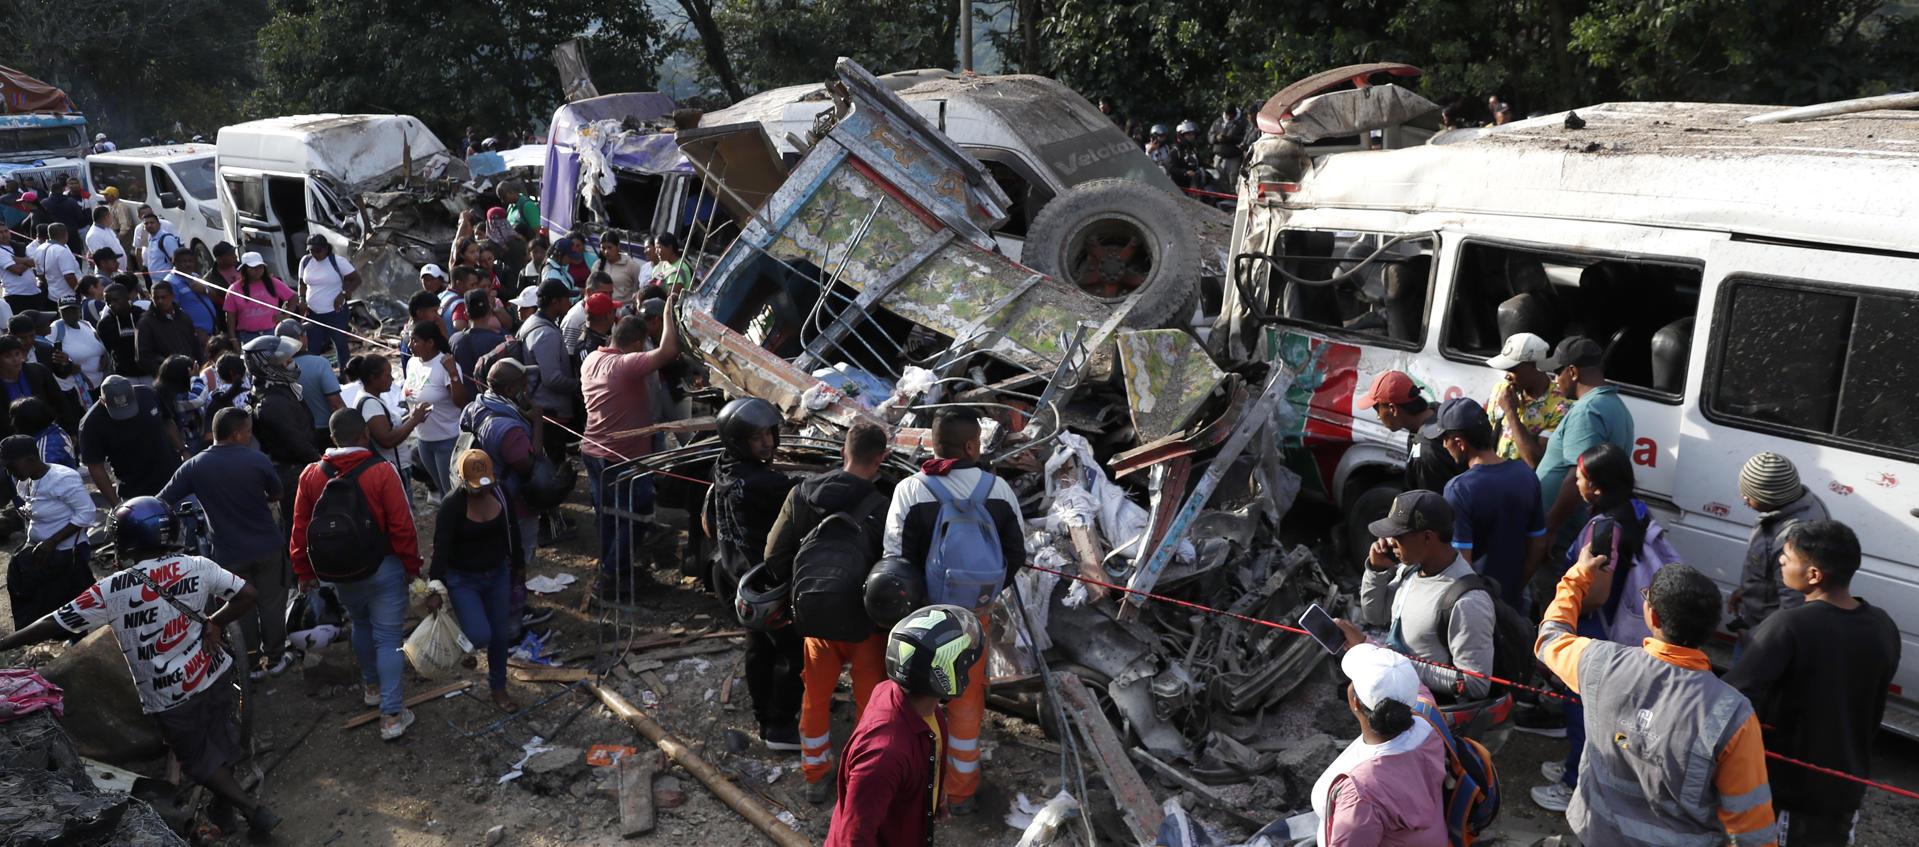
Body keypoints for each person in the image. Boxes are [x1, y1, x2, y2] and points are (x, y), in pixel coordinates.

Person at [0, 497, 281, 837]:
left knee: (197, 761)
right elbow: (247, 594)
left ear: (125, 541)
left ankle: (255, 811)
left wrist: (5, 643)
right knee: (218, 740)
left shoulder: (113, 588)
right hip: (215, 673)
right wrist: (217, 621)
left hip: (171, 695)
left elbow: (52, 623)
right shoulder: (197, 565)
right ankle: (224, 809)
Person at [1535, 557, 1776, 847]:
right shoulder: (1733, 714)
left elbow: (1550, 637)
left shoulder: (1599, 663)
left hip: (1596, 834)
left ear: (1654, 617)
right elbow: (1751, 830)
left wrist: (1577, 577)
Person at [881, 409, 1026, 813]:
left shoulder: (911, 489)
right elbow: (1016, 554)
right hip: (972, 620)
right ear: (970, 446)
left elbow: (895, 559)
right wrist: (984, 596)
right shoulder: (998, 490)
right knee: (965, 703)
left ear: (932, 443)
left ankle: (915, 788)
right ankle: (960, 793)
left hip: (922, 621)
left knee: (916, 700)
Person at [1526, 441, 1684, 810]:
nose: (1575, 482)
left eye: (1579, 477)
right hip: (1623, 628)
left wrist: (1567, 608)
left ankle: (1574, 785)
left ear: (1595, 487)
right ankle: (1574, 767)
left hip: (1599, 629)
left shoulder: (1603, 529)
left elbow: (1596, 594)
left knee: (1583, 710)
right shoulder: (1635, 509)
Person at [1726, 520, 1898, 846]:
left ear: (1814, 575)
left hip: (1792, 794)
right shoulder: (1882, 625)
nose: (1779, 561)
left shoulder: (1788, 626)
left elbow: (1731, 698)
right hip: (1847, 787)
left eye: (1787, 557)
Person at [765, 420, 890, 804]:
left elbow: (773, 554)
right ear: (881, 458)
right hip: (866, 624)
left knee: (815, 696)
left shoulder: (801, 494)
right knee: (869, 704)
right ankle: (862, 778)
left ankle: (816, 774)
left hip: (815, 619)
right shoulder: (883, 505)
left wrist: (800, 592)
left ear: (842, 452)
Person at [290, 408, 422, 740]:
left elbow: (300, 529)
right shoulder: (382, 471)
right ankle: (391, 716)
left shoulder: (311, 475)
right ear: (364, 434)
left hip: (340, 571)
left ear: (332, 438)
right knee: (389, 638)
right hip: (384, 566)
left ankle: (372, 688)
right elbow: (402, 525)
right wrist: (412, 567)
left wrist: (304, 571)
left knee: (361, 624)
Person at [823, 605, 984, 847]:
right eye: (964, 663)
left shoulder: (908, 700)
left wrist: (931, 798)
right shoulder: (883, 756)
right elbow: (853, 839)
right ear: (947, 672)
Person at [159, 407, 293, 678]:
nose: (249, 436)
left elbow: (161, 500)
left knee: (240, 607)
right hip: (267, 546)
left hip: (228, 552)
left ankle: (251, 663)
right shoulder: (257, 460)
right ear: (237, 433)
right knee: (272, 603)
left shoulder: (195, 465)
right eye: (248, 432)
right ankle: (276, 657)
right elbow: (277, 493)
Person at [704, 398, 803, 748]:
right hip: (767, 586)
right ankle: (779, 725)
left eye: (769, 434)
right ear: (737, 442)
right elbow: (801, 493)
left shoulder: (724, 467)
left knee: (759, 648)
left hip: (736, 578)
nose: (768, 443)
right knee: (795, 653)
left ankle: (764, 716)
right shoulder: (764, 483)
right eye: (757, 437)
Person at [1313, 626, 1448, 847]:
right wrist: (1364, 642)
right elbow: (1400, 678)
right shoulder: (1430, 715)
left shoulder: (1361, 794)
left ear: (1354, 702)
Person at [1357, 490, 1495, 703]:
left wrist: (1396, 663)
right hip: (1400, 699)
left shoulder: (1468, 602)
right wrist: (1376, 571)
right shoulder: (1410, 569)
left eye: (1398, 536)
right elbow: (1375, 616)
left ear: (1428, 537)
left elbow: (1476, 684)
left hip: (1430, 714)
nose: (1389, 542)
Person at [582, 308, 681, 597]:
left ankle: (615, 568)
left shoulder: (592, 359)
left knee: (608, 515)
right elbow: (669, 351)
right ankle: (612, 575)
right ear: (637, 344)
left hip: (594, 451)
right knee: (636, 515)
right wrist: (668, 312)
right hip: (622, 458)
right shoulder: (625, 365)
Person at [428, 449, 523, 710]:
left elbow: (512, 532)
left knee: (500, 635)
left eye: (486, 484)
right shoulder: (452, 506)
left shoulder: (501, 493)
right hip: (463, 579)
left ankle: (498, 687)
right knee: (481, 634)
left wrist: (519, 567)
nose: (482, 491)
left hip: (497, 574)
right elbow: (441, 547)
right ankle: (465, 645)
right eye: (475, 486)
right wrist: (434, 585)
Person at [1435, 397, 1545, 611]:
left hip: (1477, 608)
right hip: (1513, 603)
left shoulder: (1458, 489)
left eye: (1444, 439)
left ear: (1459, 442)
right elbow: (1538, 545)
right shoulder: (1526, 475)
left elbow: (1461, 564)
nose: (1443, 445)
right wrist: (1514, 588)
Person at [460, 359, 545, 632]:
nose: (527, 390)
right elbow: (530, 464)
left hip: (486, 499)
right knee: (514, 562)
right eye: (522, 385)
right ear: (510, 389)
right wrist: (538, 423)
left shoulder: (479, 405)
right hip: (512, 504)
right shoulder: (508, 428)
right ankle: (511, 623)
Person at [1535, 335, 1633, 553]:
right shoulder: (1616, 406)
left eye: (1557, 372)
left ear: (1572, 372)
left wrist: (1550, 528)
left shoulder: (1588, 411)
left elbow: (1576, 478)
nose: (1555, 380)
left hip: (1561, 535)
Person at [1729, 451, 1829, 643]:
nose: (1744, 499)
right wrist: (1746, 590)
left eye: (1749, 495)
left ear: (1771, 498)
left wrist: (1753, 638)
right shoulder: (1802, 504)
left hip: (1766, 639)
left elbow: (1792, 607)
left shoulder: (1791, 540)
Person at [2, 433, 96, 627]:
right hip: (41, 548)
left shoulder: (62, 479)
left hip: (68, 551)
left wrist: (51, 542)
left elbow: (87, 513)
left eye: (12, 466)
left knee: (75, 601)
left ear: (31, 459)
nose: (9, 471)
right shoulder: (25, 481)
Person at [242, 335, 321, 533]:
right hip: (291, 472)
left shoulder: (274, 389)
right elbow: (295, 441)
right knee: (300, 528)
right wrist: (321, 462)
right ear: (269, 366)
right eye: (286, 361)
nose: (292, 364)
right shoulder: (271, 401)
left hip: (296, 467)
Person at [80, 375, 184, 506]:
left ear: (133, 392)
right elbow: (95, 467)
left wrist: (183, 450)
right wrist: (116, 505)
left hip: (174, 478)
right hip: (135, 491)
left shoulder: (148, 394)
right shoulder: (91, 424)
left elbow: (167, 421)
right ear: (102, 401)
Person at [1358, 371, 1463, 494]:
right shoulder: (1437, 409)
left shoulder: (1427, 453)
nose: (1379, 417)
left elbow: (1433, 505)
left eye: (1377, 410)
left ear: (1393, 409)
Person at [402, 321, 467, 495]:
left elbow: (461, 402)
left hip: (447, 440)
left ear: (430, 343)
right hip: (424, 440)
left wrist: (453, 374)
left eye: (415, 341)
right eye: (410, 340)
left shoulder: (445, 365)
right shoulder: (412, 363)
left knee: (452, 492)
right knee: (442, 489)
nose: (409, 345)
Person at [520, 279, 576, 481]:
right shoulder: (545, 333)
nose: (569, 304)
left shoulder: (533, 322)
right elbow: (552, 378)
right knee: (551, 466)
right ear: (555, 302)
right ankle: (550, 507)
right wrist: (578, 385)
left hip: (540, 406)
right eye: (566, 299)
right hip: (549, 410)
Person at [1483, 333, 1564, 467]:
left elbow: (1535, 462)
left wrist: (1511, 413)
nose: (1506, 377)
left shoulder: (1560, 407)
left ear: (1534, 366)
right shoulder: (1501, 390)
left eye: (1512, 370)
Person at [342, 354, 427, 477]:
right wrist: (414, 420)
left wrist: (410, 417)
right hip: (393, 470)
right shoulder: (370, 404)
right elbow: (387, 440)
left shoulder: (372, 397)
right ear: (373, 378)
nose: (392, 379)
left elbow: (389, 426)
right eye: (387, 376)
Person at [296, 234, 361, 373]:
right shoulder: (305, 261)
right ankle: (315, 375)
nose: (315, 254)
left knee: (340, 344)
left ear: (326, 249)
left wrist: (343, 294)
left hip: (335, 313)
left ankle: (345, 375)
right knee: (312, 346)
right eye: (312, 251)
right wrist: (301, 299)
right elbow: (301, 283)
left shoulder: (338, 261)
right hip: (313, 313)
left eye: (318, 251)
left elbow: (356, 280)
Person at [275, 319, 343, 447]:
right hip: (326, 432)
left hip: (294, 436)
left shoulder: (275, 369)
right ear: (301, 339)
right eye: (304, 334)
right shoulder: (319, 363)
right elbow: (336, 403)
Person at [0, 336, 68, 438]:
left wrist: (70, 431)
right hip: (15, 443)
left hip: (48, 435)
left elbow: (59, 401)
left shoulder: (38, 371)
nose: (15, 359)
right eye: (8, 356)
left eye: (17, 354)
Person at [224, 252, 295, 343]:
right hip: (247, 336)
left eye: (260, 267)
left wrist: (286, 315)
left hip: (272, 333)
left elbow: (293, 296)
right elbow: (230, 316)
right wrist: (233, 339)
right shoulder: (234, 289)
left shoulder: (273, 283)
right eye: (254, 267)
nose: (258, 270)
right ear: (245, 269)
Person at [135, 282, 199, 373]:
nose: (160, 301)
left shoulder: (184, 318)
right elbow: (142, 356)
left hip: (190, 373)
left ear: (172, 296)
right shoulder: (145, 323)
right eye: (156, 298)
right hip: (166, 379)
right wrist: (163, 373)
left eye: (163, 297)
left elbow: (196, 345)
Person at [52, 295, 105, 394]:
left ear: (79, 310)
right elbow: (47, 352)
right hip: (78, 390)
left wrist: (104, 357)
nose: (70, 314)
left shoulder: (86, 324)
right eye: (66, 311)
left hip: (100, 385)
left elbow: (101, 347)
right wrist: (68, 366)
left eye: (73, 310)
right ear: (60, 312)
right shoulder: (56, 328)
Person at [450, 288, 506, 378]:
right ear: (489, 312)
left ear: (465, 314)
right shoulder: (500, 341)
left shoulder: (454, 340)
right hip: (489, 391)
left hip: (463, 391)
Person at [10, 396, 75, 469]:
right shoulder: (56, 430)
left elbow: (44, 477)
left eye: (14, 417)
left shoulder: (44, 448)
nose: (12, 423)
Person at [561, 272, 615, 357]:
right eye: (604, 293)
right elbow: (569, 356)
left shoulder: (609, 311)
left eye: (611, 293)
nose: (609, 298)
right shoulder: (574, 319)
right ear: (589, 292)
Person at [98, 281, 144, 377]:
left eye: (115, 300)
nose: (111, 304)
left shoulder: (143, 316)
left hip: (148, 372)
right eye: (108, 302)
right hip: (124, 375)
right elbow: (108, 349)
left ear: (127, 297)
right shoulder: (104, 324)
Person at [0, 218, 40, 314]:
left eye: (6, 231)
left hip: (33, 292)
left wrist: (19, 260)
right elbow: (17, 270)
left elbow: (35, 263)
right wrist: (27, 260)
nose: (4, 234)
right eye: (0, 232)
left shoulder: (18, 246)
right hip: (16, 296)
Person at [595, 230, 645, 303]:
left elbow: (639, 287)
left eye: (610, 247)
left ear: (618, 247)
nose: (606, 251)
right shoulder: (597, 265)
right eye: (603, 248)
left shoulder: (630, 265)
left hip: (624, 308)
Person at [137, 208, 185, 279]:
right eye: (146, 224)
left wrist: (172, 279)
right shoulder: (151, 238)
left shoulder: (166, 239)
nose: (149, 225)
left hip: (167, 282)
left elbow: (178, 261)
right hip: (156, 281)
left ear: (159, 224)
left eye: (152, 223)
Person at [39, 223, 80, 302]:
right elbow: (69, 276)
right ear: (65, 234)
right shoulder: (61, 250)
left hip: (52, 296)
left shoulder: (40, 249)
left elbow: (40, 274)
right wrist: (80, 292)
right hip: (69, 298)